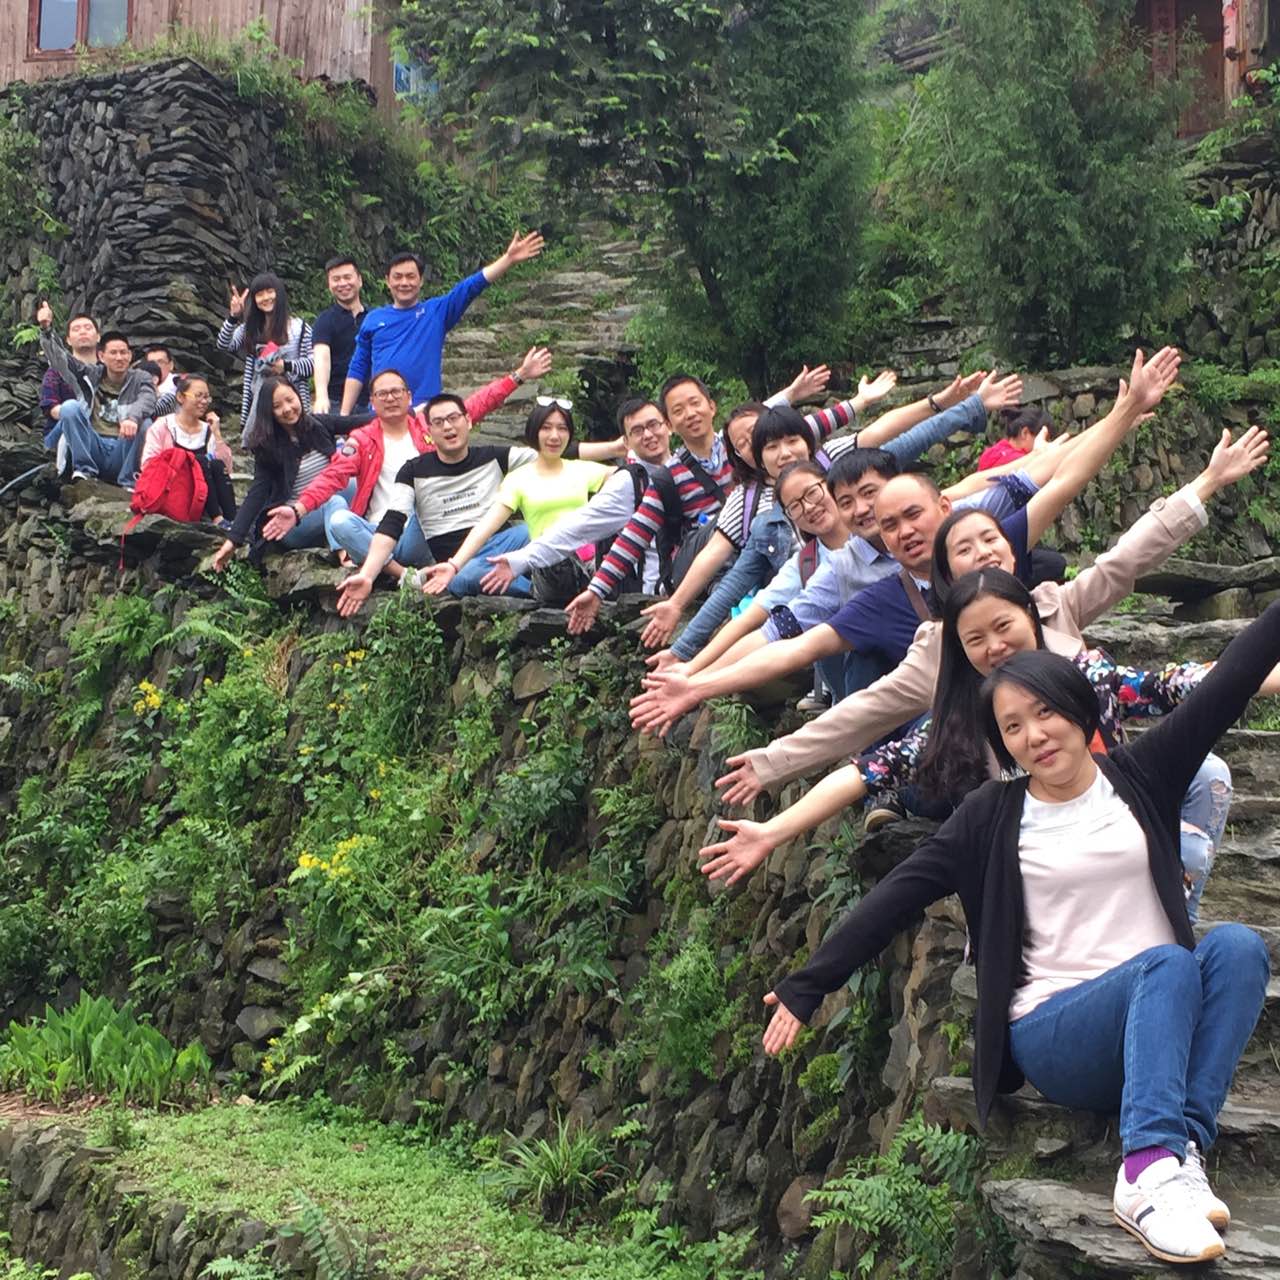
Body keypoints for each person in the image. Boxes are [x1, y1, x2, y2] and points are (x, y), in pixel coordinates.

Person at [760, 605, 1280, 1263]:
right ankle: (1144, 1173)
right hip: (1059, 1033)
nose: (1034, 735)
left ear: (1080, 711)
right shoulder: (990, 817)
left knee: (1237, 948)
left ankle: (1181, 1152)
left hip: (1162, 1023)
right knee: (1170, 963)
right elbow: (895, 897)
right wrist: (808, 986)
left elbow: (1231, 678)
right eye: (1012, 727)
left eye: (1045, 713)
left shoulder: (1143, 774)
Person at [712, 423, 1271, 807]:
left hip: (1104, 776)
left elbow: (1125, 561)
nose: (983, 552)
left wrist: (1207, 482)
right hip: (1015, 799)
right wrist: (772, 760)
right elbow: (860, 716)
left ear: (1010, 549)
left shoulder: (1050, 605)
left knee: (1208, 775)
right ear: (946, 569)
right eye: (965, 548)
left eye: (992, 540)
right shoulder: (939, 644)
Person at [632, 347, 1181, 734]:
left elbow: (1056, 480)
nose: (863, 512)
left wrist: (1123, 412)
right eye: (838, 502)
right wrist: (694, 674)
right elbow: (778, 630)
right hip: (929, 711)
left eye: (872, 499)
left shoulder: (965, 530)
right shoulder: (844, 572)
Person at [700, 569, 1261, 923]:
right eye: (975, 638)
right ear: (961, 650)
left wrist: (1263, 668)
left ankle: (1176, 921)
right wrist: (773, 831)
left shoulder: (1086, 674)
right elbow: (869, 770)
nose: (994, 646)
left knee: (1207, 772)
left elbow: (1175, 685)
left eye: (1004, 626)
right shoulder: (967, 718)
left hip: (1115, 818)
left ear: (1031, 618)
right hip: (1045, 855)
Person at [258, 349, 550, 581]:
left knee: (427, 497)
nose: (391, 398)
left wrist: (518, 376)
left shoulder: (428, 426)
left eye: (397, 391)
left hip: (420, 533)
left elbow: (475, 405)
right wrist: (298, 510)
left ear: (409, 396)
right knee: (339, 521)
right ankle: (404, 576)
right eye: (382, 394)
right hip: (377, 533)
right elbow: (333, 476)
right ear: (372, 402)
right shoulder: (362, 440)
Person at [334, 389, 622, 613]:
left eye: (454, 418)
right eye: (439, 422)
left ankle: (562, 578)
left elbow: (557, 450)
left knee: (531, 531)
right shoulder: (414, 470)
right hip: (455, 558)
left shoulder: (495, 457)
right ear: (428, 432)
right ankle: (538, 588)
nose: (448, 427)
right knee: (462, 578)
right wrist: (368, 575)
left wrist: (617, 447)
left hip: (502, 544)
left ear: (469, 421)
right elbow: (393, 522)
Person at [478, 396, 676, 596]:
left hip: (664, 577)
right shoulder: (628, 482)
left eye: (653, 425)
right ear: (626, 442)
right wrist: (520, 560)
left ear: (669, 426)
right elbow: (576, 528)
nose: (648, 435)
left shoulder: (686, 467)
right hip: (565, 568)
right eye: (637, 431)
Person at [422, 398, 612, 602]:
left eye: (562, 428)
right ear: (534, 431)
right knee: (552, 547)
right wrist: (454, 565)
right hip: (551, 570)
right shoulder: (519, 478)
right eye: (546, 428)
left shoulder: (582, 470)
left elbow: (628, 480)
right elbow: (486, 526)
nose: (554, 436)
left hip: (590, 562)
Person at [340, 231, 545, 412]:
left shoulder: (436, 312)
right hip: (382, 412)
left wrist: (508, 259)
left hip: (425, 411)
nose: (404, 282)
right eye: (398, 277)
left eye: (411, 276)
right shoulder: (374, 319)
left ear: (421, 280)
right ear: (388, 281)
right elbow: (358, 368)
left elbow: (470, 287)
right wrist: (343, 416)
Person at [211, 378, 367, 570]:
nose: (287, 409)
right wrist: (233, 540)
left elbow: (362, 422)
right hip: (293, 522)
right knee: (334, 502)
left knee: (356, 481)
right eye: (277, 406)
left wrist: (399, 412)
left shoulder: (319, 424)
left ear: (298, 397)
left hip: (328, 505)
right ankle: (345, 555)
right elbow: (256, 495)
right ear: (269, 412)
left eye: (290, 400)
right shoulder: (267, 448)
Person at [36, 303, 156, 489]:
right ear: (102, 356)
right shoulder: (90, 375)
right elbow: (61, 360)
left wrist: (133, 418)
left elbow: (148, 399)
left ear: (130, 356)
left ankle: (128, 481)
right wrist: (46, 329)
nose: (119, 358)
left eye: (123, 353)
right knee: (70, 407)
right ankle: (84, 470)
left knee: (146, 423)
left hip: (122, 446)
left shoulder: (141, 378)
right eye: (113, 353)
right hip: (94, 444)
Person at [217, 272, 315, 431]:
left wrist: (286, 366)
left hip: (293, 405)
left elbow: (314, 364)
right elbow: (224, 345)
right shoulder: (250, 329)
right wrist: (233, 317)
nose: (266, 298)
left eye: (270, 291)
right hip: (260, 406)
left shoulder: (300, 328)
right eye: (260, 294)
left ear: (279, 293)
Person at [139, 373, 237, 525]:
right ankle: (217, 518)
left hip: (202, 496)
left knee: (217, 465)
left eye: (207, 397)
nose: (204, 402)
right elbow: (148, 465)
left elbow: (227, 470)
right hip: (173, 491)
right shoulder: (163, 426)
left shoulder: (208, 429)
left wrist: (217, 434)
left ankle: (233, 521)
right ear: (180, 397)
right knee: (199, 461)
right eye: (198, 396)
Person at [312, 256, 366, 415]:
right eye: (336, 279)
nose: (342, 283)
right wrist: (321, 396)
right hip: (336, 401)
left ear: (359, 280)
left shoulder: (374, 318)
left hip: (372, 400)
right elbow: (321, 357)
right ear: (329, 285)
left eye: (347, 277)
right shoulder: (325, 320)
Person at [38, 309, 98, 449]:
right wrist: (77, 415)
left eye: (88, 328)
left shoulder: (106, 372)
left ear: (98, 336)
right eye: (76, 329)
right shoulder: (55, 371)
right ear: (68, 340)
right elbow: (52, 409)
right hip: (61, 435)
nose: (82, 332)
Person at [979, 405, 1053, 470]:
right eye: (1045, 439)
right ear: (1025, 433)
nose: (1045, 445)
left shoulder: (990, 453)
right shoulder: (1025, 464)